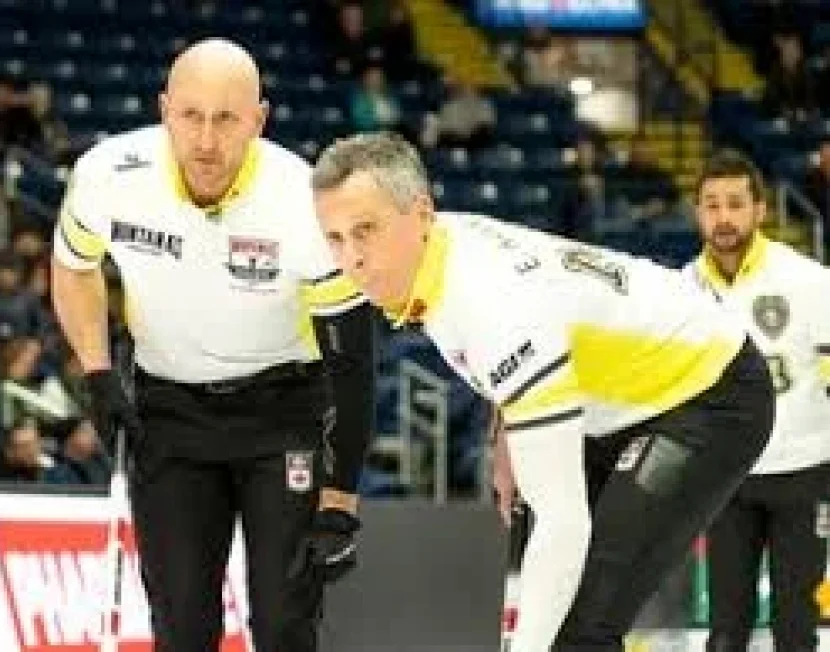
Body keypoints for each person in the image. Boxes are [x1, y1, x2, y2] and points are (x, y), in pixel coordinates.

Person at [309, 132, 774, 652]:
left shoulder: (490, 302)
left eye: (366, 231)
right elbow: (515, 342)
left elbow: (563, 519)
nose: (352, 259)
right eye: (336, 238)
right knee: (562, 608)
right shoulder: (439, 251)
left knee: (576, 626)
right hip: (620, 394)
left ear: (419, 213)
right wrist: (508, 424)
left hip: (710, 392)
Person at [49, 38, 375, 652]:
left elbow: (353, 359)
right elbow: (73, 267)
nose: (205, 139)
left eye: (226, 118)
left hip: (283, 414)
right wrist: (96, 371)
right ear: (163, 109)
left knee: (284, 624)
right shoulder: (108, 176)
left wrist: (341, 495)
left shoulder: (304, 204)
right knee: (182, 627)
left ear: (259, 118)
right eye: (189, 115)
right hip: (168, 414)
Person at [682, 150, 830, 652]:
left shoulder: (808, 281)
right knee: (725, 630)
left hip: (805, 473)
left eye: (735, 204)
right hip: (725, 481)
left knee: (796, 629)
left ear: (760, 210)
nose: (724, 218)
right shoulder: (680, 292)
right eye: (712, 205)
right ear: (697, 212)